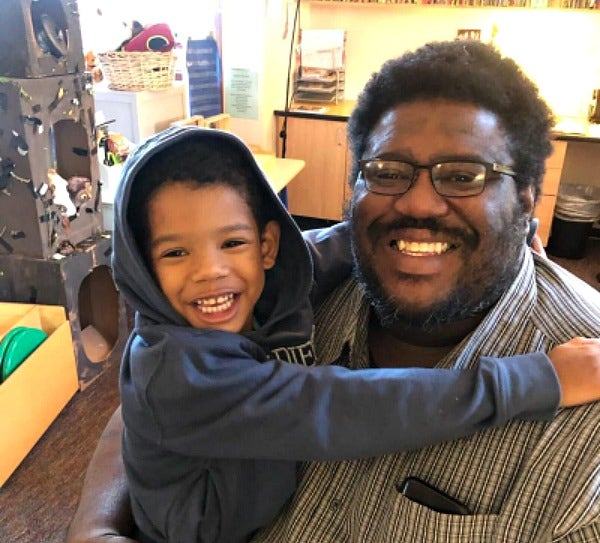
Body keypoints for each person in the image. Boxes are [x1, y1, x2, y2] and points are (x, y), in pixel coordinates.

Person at [66, 41, 600, 543]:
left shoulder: (586, 403)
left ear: (525, 196)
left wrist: (501, 234)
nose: (417, 205)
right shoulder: (193, 341)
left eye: (464, 176)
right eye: (387, 171)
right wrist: (95, 526)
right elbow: (331, 405)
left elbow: (328, 245)